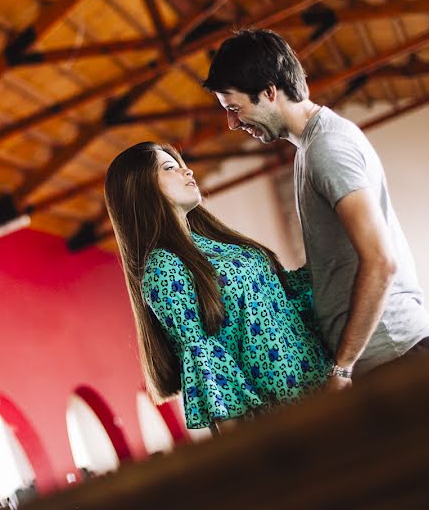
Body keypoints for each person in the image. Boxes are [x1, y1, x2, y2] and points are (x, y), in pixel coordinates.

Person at [202, 29, 429, 391]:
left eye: (235, 109)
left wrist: (342, 367)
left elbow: (380, 260)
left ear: (269, 92)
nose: (233, 123)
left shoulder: (327, 148)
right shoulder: (311, 148)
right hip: (383, 355)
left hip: (393, 353)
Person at [104, 142, 330, 432]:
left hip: (322, 386)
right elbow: (207, 364)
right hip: (280, 420)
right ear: (140, 189)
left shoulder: (213, 243)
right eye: (170, 168)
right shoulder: (163, 267)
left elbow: (283, 297)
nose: (188, 171)